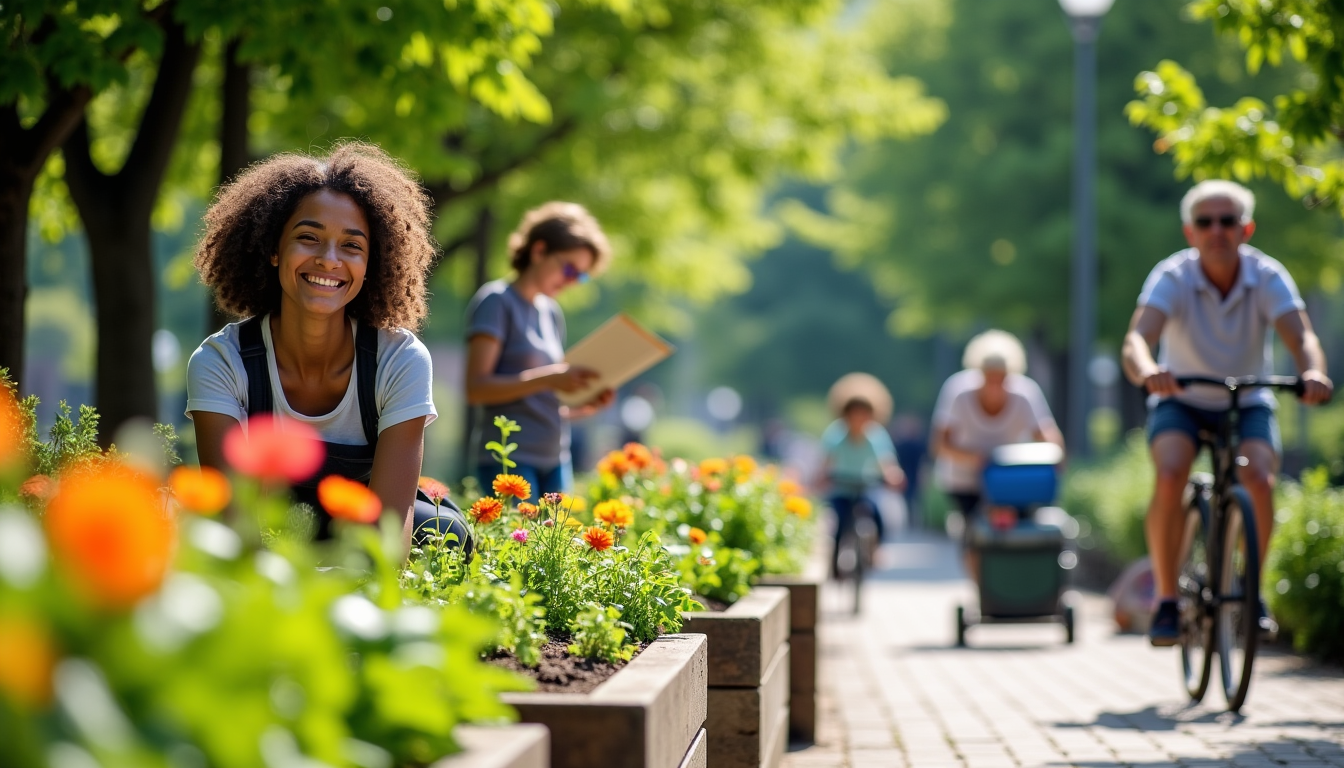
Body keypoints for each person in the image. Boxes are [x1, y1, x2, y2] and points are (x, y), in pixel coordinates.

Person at [186, 143, 469, 548]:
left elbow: (389, 537)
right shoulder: (222, 362)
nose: (329, 260)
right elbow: (233, 524)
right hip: (272, 538)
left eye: (352, 245)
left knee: (443, 533)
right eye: (308, 238)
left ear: (373, 263)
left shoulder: (399, 360)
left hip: (362, 533)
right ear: (272, 249)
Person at [1121, 179, 1332, 646]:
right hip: (1182, 397)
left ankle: (1251, 591)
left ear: (1247, 229)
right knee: (1172, 471)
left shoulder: (1267, 275)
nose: (1216, 230)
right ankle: (1165, 599)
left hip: (1248, 397)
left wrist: (1313, 372)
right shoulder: (1172, 277)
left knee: (1258, 479)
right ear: (1189, 232)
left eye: (1227, 221)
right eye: (1205, 222)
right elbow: (1137, 339)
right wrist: (1149, 370)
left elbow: (1302, 337)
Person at [465, 202, 616, 495]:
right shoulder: (497, 301)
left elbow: (536, 402)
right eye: (570, 268)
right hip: (509, 460)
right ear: (539, 251)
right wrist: (549, 377)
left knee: (555, 542)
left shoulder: (551, 312)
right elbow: (476, 388)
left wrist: (582, 407)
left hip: (556, 460)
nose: (573, 281)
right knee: (520, 541)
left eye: (581, 275)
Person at [932, 330, 1064, 579]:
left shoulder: (1025, 393)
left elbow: (1047, 434)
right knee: (974, 535)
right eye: (988, 378)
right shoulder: (958, 393)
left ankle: (1017, 583)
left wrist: (1054, 457)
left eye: (1001, 379)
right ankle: (983, 588)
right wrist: (975, 458)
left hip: (1009, 482)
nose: (995, 386)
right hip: (964, 480)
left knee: (1018, 532)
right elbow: (940, 444)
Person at [821, 374, 906, 570]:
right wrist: (823, 477)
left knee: (877, 514)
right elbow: (826, 461)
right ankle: (834, 563)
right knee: (840, 521)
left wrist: (893, 475)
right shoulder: (836, 434)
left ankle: (876, 549)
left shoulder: (875, 434)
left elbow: (886, 461)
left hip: (866, 486)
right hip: (842, 488)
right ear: (846, 414)